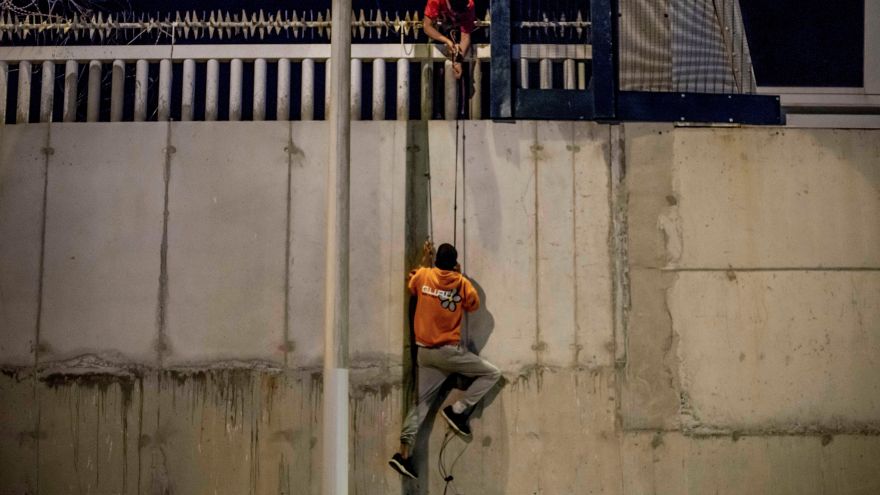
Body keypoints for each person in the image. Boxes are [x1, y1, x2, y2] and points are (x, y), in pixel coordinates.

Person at [389, 241, 501, 479]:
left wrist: (424, 261)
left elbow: (412, 282)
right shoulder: (460, 283)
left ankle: (403, 454)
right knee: (492, 373)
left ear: (436, 260)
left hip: (425, 354)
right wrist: (458, 275)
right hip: (448, 352)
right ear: (455, 263)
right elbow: (473, 304)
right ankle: (457, 410)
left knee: (420, 405)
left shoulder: (424, 275)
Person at [422, 0, 476, 79]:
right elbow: (427, 27)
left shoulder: (469, 4)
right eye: (455, 11)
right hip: (436, 32)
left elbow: (465, 36)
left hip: (456, 31)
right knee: (434, 75)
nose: (456, 14)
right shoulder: (435, 1)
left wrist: (458, 61)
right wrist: (447, 41)